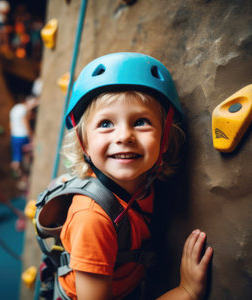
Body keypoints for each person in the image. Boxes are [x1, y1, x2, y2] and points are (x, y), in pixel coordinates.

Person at [58, 52, 213, 299]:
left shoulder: (143, 185)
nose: (124, 136)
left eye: (140, 121)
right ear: (83, 143)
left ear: (165, 139)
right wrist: (187, 291)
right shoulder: (92, 219)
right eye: (106, 124)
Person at [9, 95, 37, 190]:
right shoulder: (23, 109)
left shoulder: (13, 110)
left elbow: (11, 125)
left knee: (16, 158)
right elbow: (25, 122)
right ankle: (28, 175)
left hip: (15, 136)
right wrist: (31, 136)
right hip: (23, 135)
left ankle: (20, 176)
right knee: (28, 155)